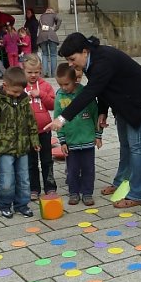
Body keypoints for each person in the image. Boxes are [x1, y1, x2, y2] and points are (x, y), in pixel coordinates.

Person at [48, 33, 141, 209]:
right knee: (125, 145)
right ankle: (120, 182)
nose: (71, 64)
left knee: (137, 147)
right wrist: (103, 111)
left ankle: (138, 193)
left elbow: (90, 91)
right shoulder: (90, 61)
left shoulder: (103, 60)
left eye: (72, 59)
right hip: (125, 101)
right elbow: (102, 87)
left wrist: (63, 118)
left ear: (84, 51)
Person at [0, 67, 38, 219]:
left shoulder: (23, 100)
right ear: (5, 85)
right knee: (7, 179)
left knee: (24, 178)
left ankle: (22, 204)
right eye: (14, 92)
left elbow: (31, 122)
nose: (17, 95)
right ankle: (5, 204)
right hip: (4, 148)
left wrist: (34, 140)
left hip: (22, 148)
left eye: (19, 92)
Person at [55, 63, 102, 206]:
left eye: (66, 84)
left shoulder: (85, 93)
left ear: (75, 79)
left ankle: (87, 193)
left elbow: (96, 115)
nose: (63, 87)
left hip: (88, 140)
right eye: (60, 84)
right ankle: (74, 193)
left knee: (89, 169)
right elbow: (58, 119)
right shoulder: (59, 96)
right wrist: (62, 141)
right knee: (72, 170)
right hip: (71, 142)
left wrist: (98, 135)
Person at [22, 53, 57, 198]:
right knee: (31, 162)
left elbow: (52, 104)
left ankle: (50, 186)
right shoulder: (20, 86)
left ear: (40, 70)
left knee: (47, 160)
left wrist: (41, 94)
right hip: (27, 132)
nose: (33, 75)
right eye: (29, 72)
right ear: (23, 70)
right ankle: (33, 188)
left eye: (36, 72)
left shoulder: (45, 85)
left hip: (44, 130)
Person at [37, 8, 61, 77]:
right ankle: (53, 74)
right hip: (51, 35)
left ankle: (45, 73)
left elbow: (39, 27)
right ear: (52, 11)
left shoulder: (41, 16)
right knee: (53, 55)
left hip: (42, 36)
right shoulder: (53, 15)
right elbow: (59, 19)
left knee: (44, 55)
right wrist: (56, 28)